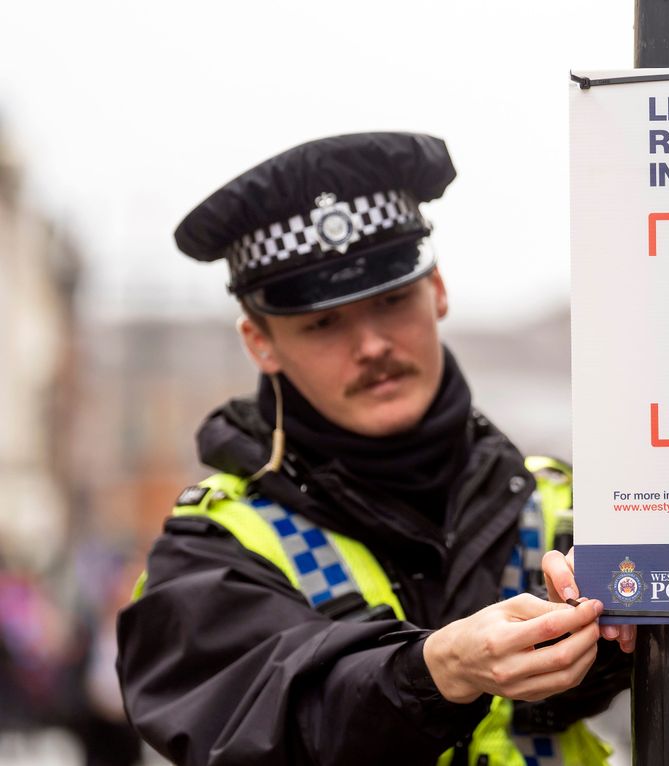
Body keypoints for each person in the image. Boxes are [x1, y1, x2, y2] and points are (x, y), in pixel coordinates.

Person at [116, 132, 634, 766]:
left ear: (437, 289)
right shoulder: (210, 548)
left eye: (391, 301)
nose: (371, 346)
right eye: (323, 323)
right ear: (259, 342)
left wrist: (609, 640)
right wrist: (433, 672)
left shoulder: (567, 509)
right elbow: (258, 724)